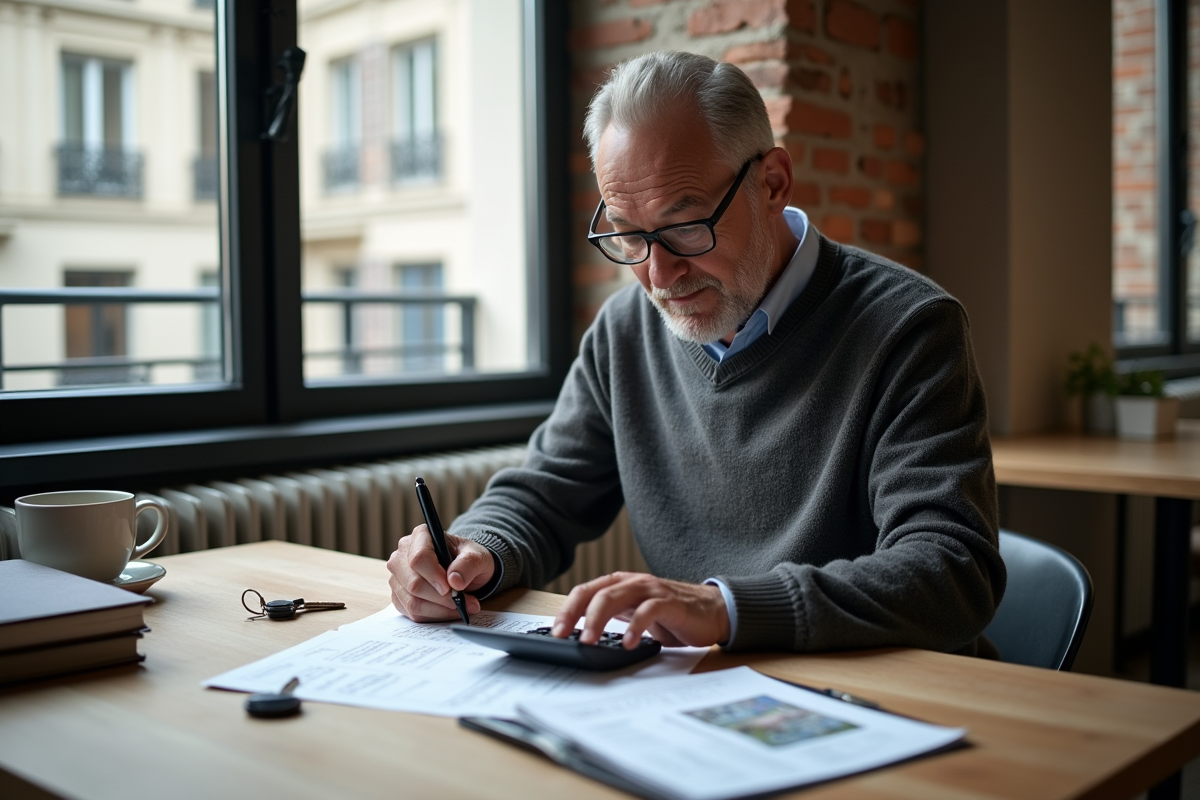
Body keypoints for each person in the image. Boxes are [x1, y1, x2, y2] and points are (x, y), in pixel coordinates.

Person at [387, 51, 1005, 655]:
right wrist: (477, 553)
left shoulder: (909, 327)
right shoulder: (625, 329)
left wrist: (727, 609)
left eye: (686, 226)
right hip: (707, 690)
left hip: (893, 698)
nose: (660, 274)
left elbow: (951, 570)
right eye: (628, 233)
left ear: (773, 183)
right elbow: (547, 493)